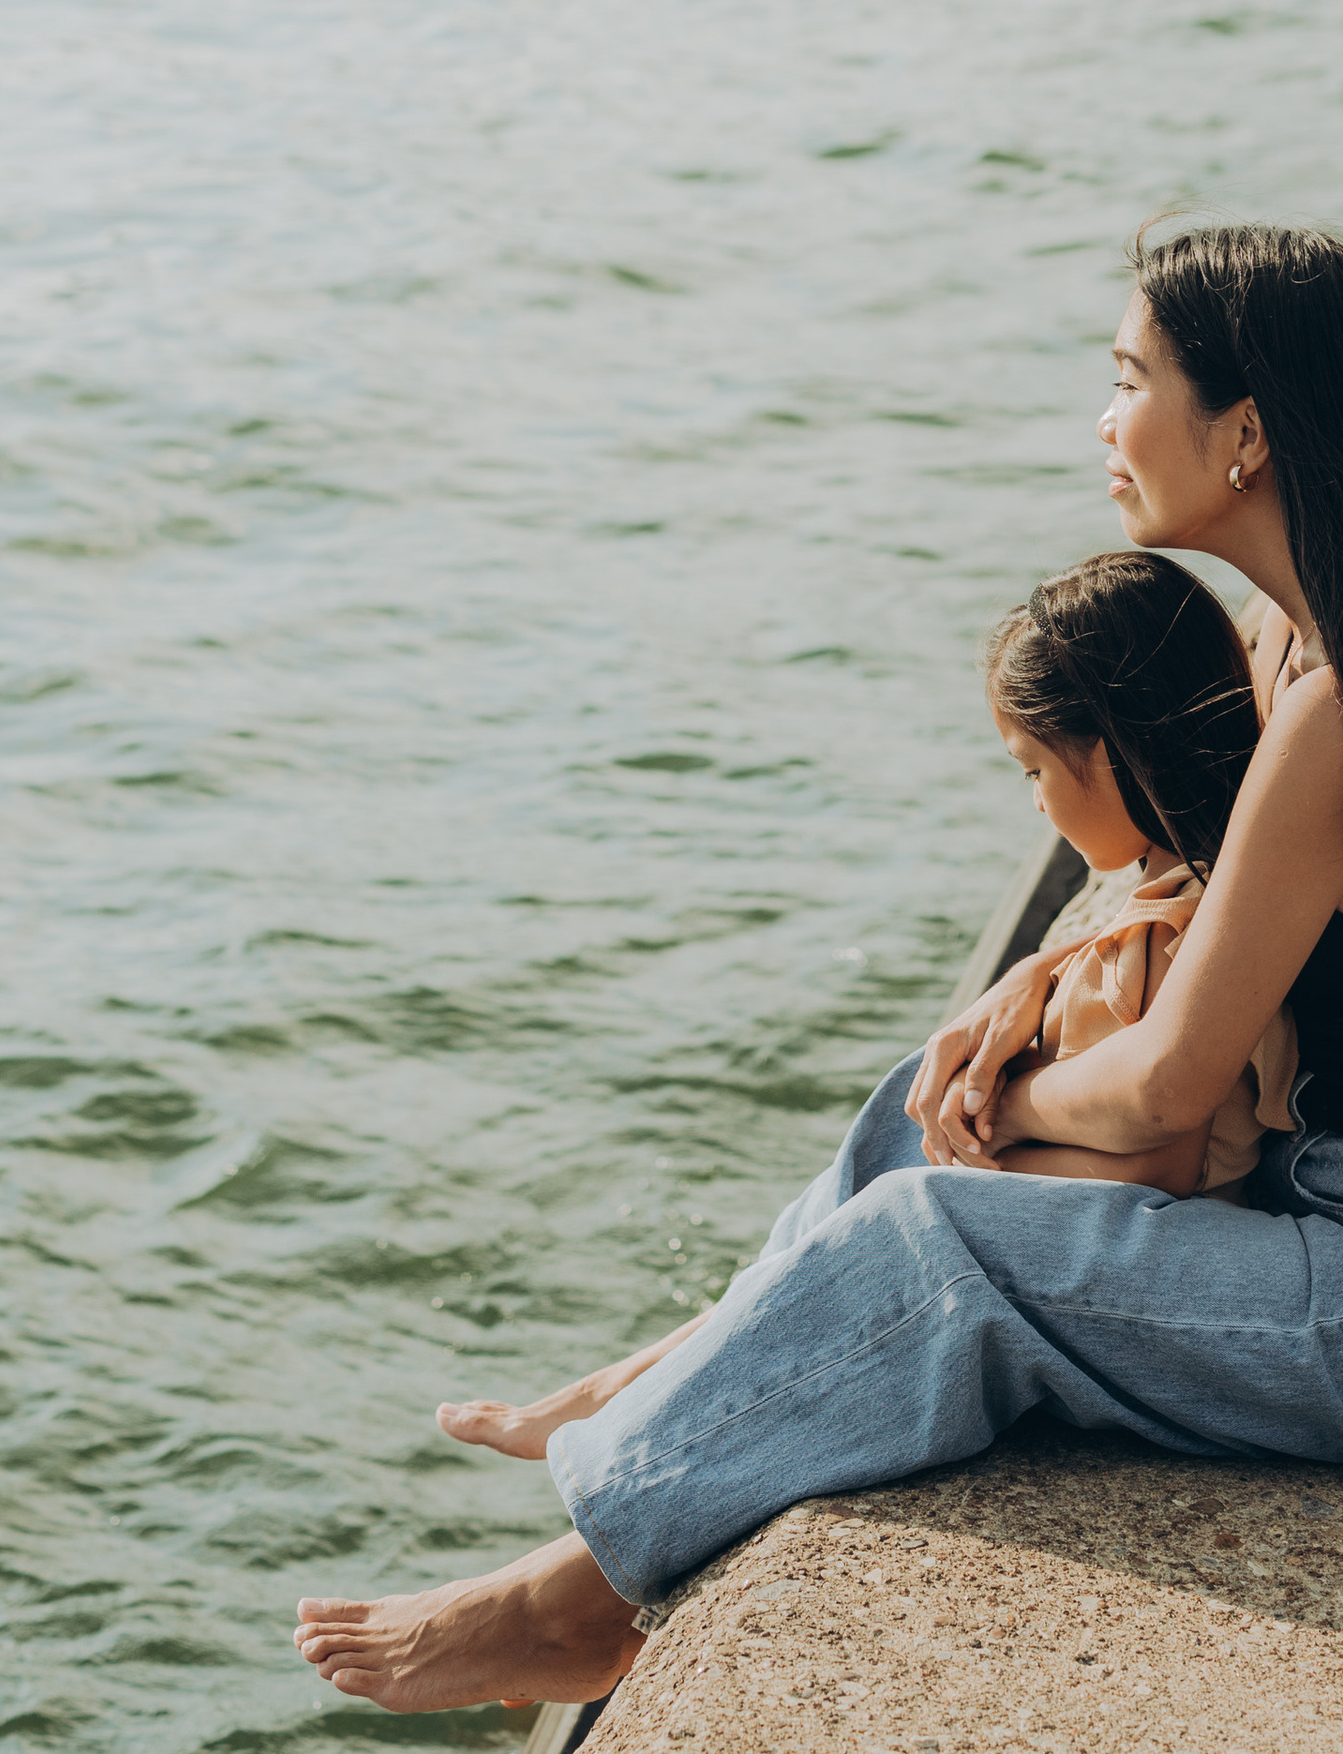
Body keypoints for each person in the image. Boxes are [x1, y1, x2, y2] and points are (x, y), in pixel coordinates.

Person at [296, 222, 1343, 1713]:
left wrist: (1018, 1101)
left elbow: (1174, 1080)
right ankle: (680, 1374)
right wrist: (1014, 1009)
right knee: (912, 1106)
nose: (1105, 420)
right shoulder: (1308, 640)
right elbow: (1227, 893)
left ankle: (571, 1601)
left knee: (943, 1236)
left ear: (1244, 432)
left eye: (1130, 379)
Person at [434, 546, 1291, 1477]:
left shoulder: (1154, 946)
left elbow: (1159, 1171)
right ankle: (623, 1388)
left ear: (1114, 753)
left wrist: (986, 1159)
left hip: (1136, 1277)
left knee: (865, 1213)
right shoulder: (1199, 899)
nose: (1037, 805)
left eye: (1034, 772)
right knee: (843, 1209)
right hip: (1135, 1243)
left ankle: (625, 1410)